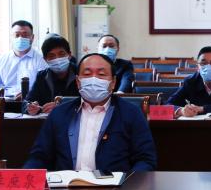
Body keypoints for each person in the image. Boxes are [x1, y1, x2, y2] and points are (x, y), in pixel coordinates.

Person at [23, 53, 157, 172]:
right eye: (87, 74)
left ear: (113, 82)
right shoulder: (59, 114)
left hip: (114, 189)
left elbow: (145, 160)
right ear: (78, 82)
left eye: (101, 74)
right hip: (65, 188)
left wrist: (129, 185)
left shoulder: (131, 113)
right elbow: (39, 157)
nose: (94, 79)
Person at [0, 20, 48, 98]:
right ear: (11, 37)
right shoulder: (0, 60)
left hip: (31, 100)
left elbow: (44, 87)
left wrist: (28, 95)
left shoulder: (41, 59)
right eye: (17, 35)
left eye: (25, 35)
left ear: (32, 37)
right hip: (5, 101)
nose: (20, 38)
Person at [24, 35, 80, 114]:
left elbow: (88, 101)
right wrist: (31, 108)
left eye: (61, 54)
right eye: (51, 56)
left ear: (69, 55)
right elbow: (26, 103)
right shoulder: (42, 76)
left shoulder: (80, 73)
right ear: (45, 59)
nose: (57, 59)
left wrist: (61, 105)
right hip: (46, 120)